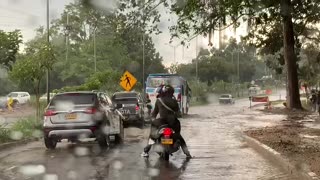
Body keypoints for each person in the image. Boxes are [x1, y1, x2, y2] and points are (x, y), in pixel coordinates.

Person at [141, 84, 191, 158]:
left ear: (163, 92)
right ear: (172, 92)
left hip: (161, 122)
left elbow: (154, 113)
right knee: (179, 137)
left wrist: (151, 119)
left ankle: (145, 151)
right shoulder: (174, 101)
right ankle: (187, 153)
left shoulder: (159, 100)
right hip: (173, 123)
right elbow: (178, 114)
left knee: (152, 135)